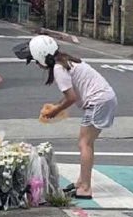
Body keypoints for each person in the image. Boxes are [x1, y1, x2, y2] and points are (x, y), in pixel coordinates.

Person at [17, 35, 117, 200]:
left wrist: (55, 111)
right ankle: (81, 182)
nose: (36, 64)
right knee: (87, 143)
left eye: (36, 60)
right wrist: (57, 105)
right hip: (104, 99)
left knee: (84, 143)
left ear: (42, 56)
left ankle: (85, 188)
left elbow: (71, 98)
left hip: (98, 102)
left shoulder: (58, 68)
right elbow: (73, 93)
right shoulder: (68, 60)